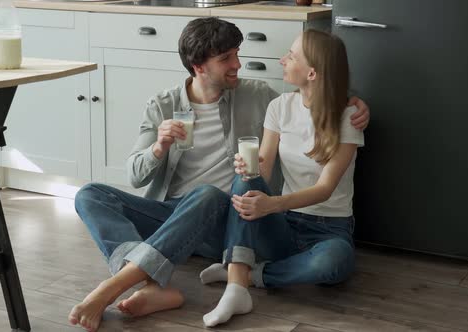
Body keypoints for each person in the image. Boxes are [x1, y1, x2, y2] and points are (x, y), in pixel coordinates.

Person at [68, 18, 370, 332]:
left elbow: (317, 95)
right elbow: (134, 176)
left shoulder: (257, 95)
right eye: (226, 58)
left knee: (211, 193)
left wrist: (353, 102)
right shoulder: (164, 104)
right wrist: (158, 147)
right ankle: (146, 283)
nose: (238, 64)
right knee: (89, 194)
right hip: (175, 217)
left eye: (236, 54)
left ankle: (118, 286)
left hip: (224, 221)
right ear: (198, 66)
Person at [200, 29, 363, 327]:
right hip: (284, 225)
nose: (282, 59)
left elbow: (325, 189)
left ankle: (249, 275)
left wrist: (271, 204)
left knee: (334, 262)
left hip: (329, 230)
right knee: (244, 180)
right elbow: (262, 169)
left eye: (291, 55)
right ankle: (236, 287)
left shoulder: (347, 119)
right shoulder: (280, 107)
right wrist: (247, 169)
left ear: (312, 72)